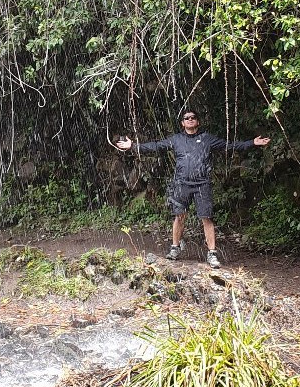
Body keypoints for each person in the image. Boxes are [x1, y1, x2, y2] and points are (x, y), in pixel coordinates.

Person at [115, 109, 270, 268]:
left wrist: (252, 143)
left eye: (193, 117)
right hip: (182, 183)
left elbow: (229, 145)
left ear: (198, 121)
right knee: (179, 216)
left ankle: (212, 254)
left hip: (203, 184)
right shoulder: (177, 139)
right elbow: (156, 146)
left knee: (206, 218)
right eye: (186, 118)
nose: (190, 120)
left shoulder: (207, 139)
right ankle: (175, 248)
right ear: (182, 123)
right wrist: (133, 146)